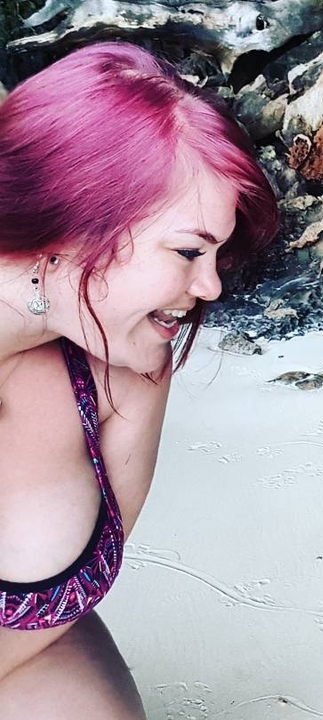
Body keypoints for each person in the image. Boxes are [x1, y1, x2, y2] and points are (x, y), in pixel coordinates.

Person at [0, 41, 279, 716]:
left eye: (216, 253)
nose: (209, 285)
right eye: (188, 250)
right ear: (75, 222)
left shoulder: (130, 365)